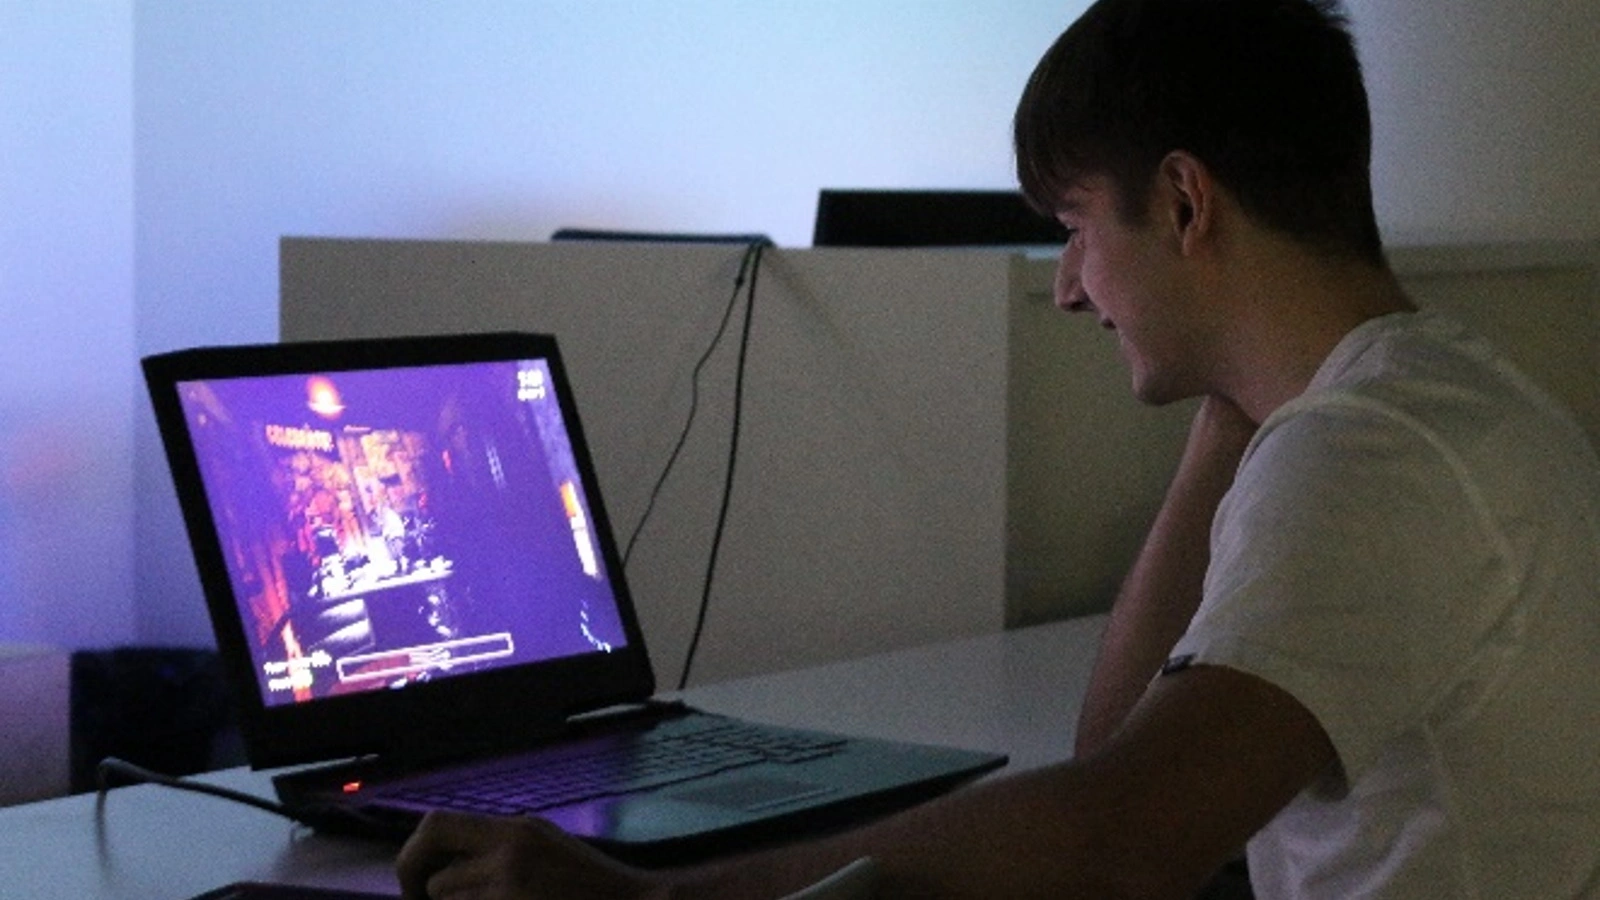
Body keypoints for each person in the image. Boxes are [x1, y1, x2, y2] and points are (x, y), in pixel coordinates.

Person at [396, 0, 1600, 896]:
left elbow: (1119, 839)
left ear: (1184, 205)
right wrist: (1228, 402)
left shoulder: (1370, 457)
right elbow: (1115, 751)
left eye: (1076, 227)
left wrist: (653, 898)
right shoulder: (1406, 407)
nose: (1071, 290)